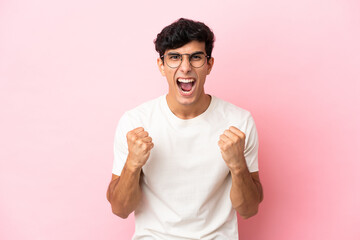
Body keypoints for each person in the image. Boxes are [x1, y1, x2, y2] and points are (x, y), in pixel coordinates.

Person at [107, 18, 263, 240]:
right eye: (174, 57)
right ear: (161, 65)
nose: (186, 67)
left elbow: (249, 210)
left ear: (209, 64)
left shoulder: (239, 122)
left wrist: (238, 167)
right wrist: (132, 164)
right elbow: (120, 209)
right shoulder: (135, 122)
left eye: (196, 57)